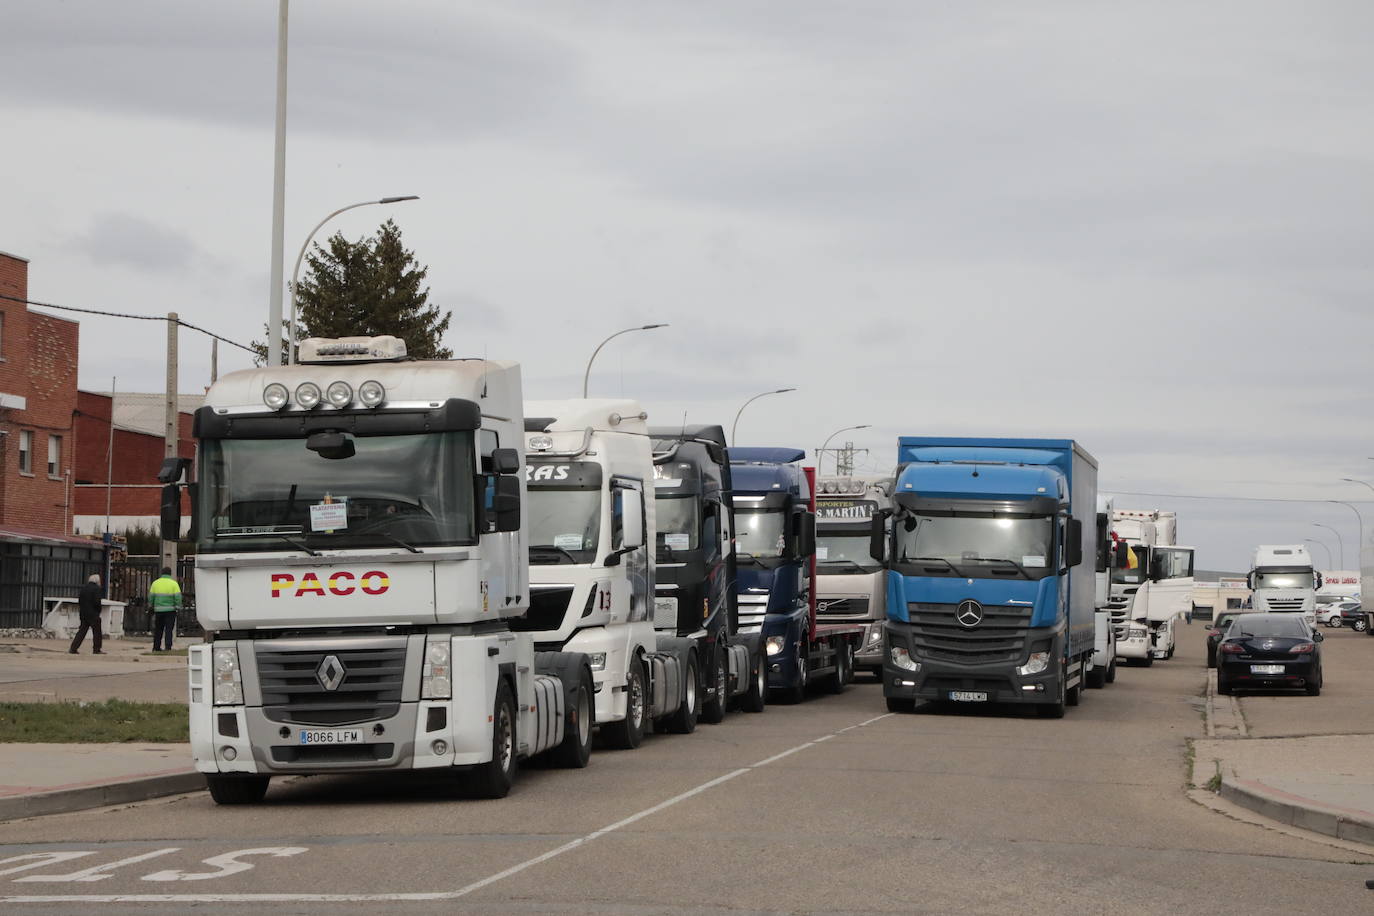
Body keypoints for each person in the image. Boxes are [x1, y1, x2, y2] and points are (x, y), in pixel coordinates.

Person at [69, 573, 105, 655]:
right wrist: (98, 611)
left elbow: (80, 601)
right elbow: (97, 602)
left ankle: (73, 648)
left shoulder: (84, 588)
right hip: (93, 613)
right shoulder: (96, 589)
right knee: (97, 632)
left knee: (82, 631)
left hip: (84, 613)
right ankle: (97, 649)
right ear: (97, 581)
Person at [149, 566, 182, 652]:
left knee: (158, 629)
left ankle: (156, 647)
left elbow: (151, 597)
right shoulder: (174, 584)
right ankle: (168, 647)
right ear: (170, 574)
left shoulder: (155, 583)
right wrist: (178, 607)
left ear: (162, 573)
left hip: (158, 610)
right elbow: (178, 597)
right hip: (170, 610)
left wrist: (151, 606)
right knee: (168, 629)